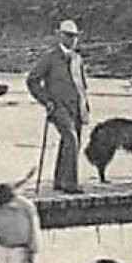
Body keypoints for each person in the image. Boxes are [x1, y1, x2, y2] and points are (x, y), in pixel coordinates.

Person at [27, 19, 91, 194]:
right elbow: (32, 80)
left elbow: (82, 86)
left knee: (70, 142)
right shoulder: (50, 57)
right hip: (57, 107)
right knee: (71, 139)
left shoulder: (78, 59)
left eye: (75, 36)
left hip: (76, 107)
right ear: (60, 36)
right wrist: (46, 100)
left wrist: (85, 106)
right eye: (69, 36)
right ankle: (70, 183)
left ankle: (60, 180)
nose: (72, 40)